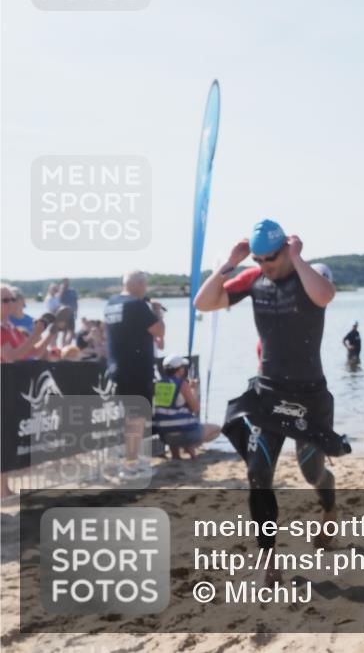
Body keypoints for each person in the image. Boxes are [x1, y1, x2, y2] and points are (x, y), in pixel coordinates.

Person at [194, 219, 349, 583]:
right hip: (267, 395)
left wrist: (296, 258)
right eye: (259, 259)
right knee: (258, 474)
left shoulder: (307, 278)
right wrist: (230, 263)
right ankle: (268, 557)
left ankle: (329, 509)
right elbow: (204, 302)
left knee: (312, 472)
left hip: (309, 396)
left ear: (285, 250)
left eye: (271, 258)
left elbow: (325, 296)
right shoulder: (253, 280)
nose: (265, 265)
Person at [104, 270, 166, 477]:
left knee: (127, 418)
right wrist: (157, 311)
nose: (145, 289)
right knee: (136, 419)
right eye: (145, 284)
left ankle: (127, 461)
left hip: (117, 367)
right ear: (139, 284)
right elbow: (159, 330)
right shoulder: (137, 305)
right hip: (136, 369)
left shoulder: (111, 303)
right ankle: (130, 465)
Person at [152, 355, 222, 459]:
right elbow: (195, 408)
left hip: (164, 435)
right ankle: (191, 446)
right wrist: (194, 389)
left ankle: (176, 455)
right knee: (217, 429)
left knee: (170, 420)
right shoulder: (182, 384)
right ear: (180, 370)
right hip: (184, 433)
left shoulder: (158, 384)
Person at [1, 284, 49, 363]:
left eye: (13, 299)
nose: (11, 303)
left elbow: (35, 352)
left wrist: (52, 332)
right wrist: (35, 334)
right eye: (5, 300)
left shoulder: (11, 327)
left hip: (21, 369)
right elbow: (11, 358)